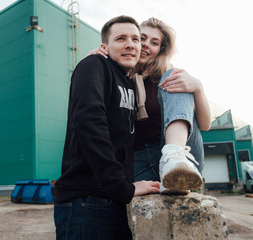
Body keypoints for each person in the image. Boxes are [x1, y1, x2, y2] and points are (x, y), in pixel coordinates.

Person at [53, 15, 160, 240]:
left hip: (115, 201)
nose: (130, 44)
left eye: (135, 39)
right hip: (85, 201)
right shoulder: (94, 65)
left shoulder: (129, 83)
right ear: (104, 46)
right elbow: (89, 123)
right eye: (120, 39)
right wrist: (123, 187)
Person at [88, 17, 211, 194]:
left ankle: (174, 157)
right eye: (142, 38)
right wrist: (95, 63)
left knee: (175, 76)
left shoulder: (168, 78)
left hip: (175, 155)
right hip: (137, 160)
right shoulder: (115, 75)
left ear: (160, 50)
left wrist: (198, 88)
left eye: (154, 42)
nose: (146, 45)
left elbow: (205, 125)